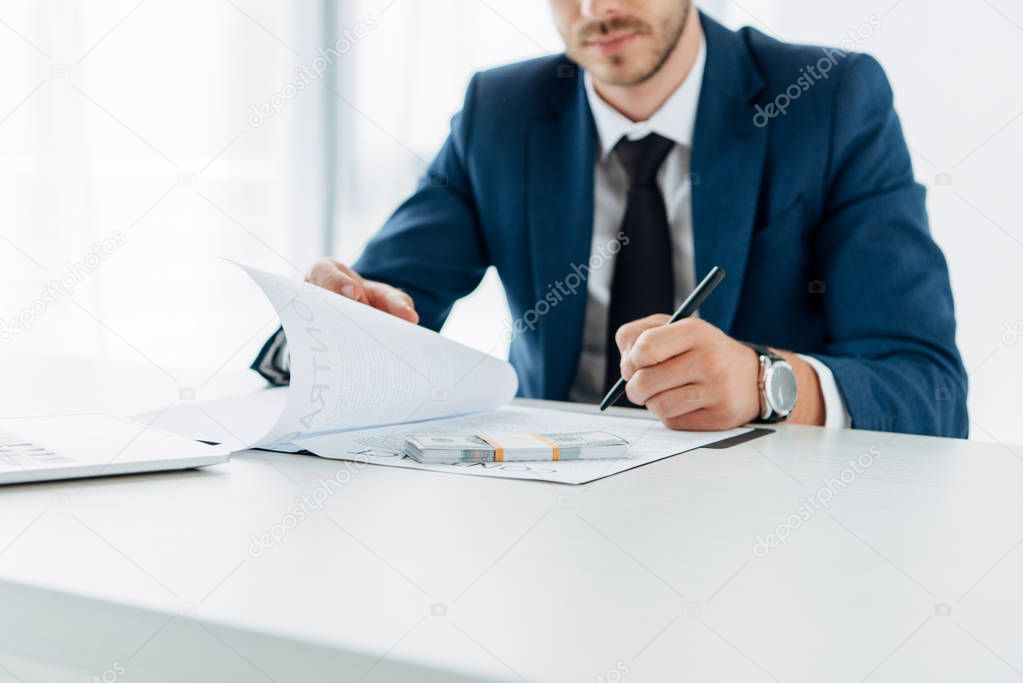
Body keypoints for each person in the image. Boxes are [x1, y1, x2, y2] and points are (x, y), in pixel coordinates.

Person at [254, 0, 967, 437]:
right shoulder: (500, 113)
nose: (595, 6)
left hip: (766, 512)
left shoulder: (828, 100)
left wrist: (763, 384)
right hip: (548, 500)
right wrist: (334, 327)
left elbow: (926, 386)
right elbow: (385, 307)